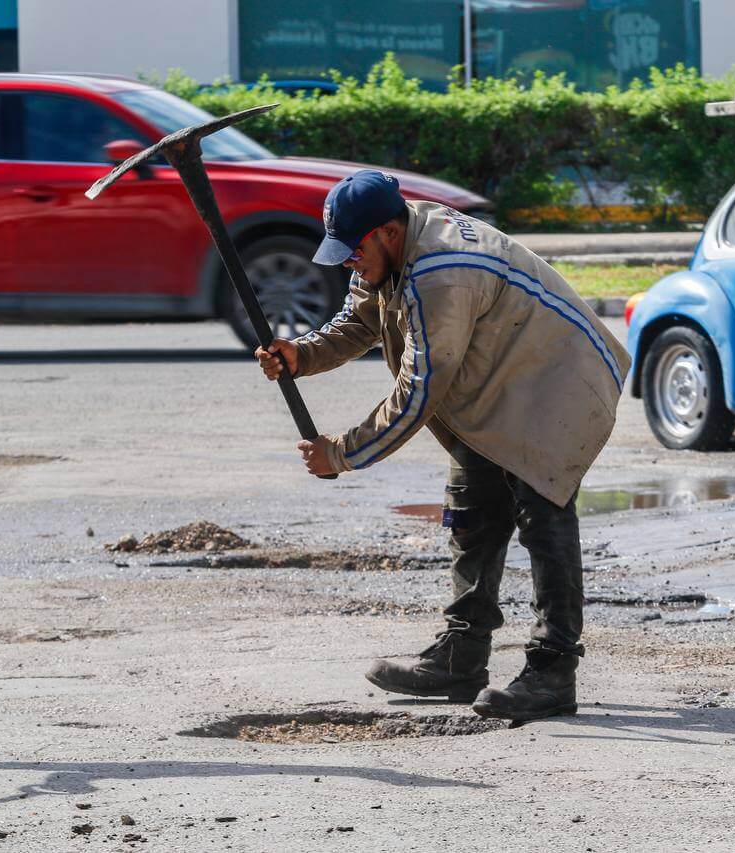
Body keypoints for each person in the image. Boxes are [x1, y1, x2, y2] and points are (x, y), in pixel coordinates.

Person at [255, 171, 631, 723]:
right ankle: (461, 658)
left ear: (386, 231)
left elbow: (418, 392)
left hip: (559, 379)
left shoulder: (442, 273)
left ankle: (554, 670)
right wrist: (302, 355)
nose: (346, 263)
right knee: (472, 510)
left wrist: (341, 453)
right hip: (498, 382)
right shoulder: (389, 247)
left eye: (353, 251)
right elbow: (360, 319)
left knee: (542, 513)